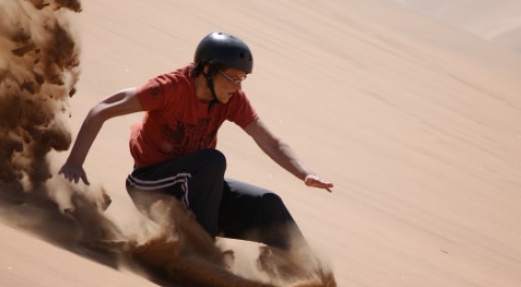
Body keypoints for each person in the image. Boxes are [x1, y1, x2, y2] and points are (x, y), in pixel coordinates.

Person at [58, 31, 333, 256]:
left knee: (268, 204)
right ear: (206, 70)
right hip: (150, 185)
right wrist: (74, 162)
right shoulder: (167, 88)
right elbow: (102, 109)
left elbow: (270, 141)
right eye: (232, 78)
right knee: (213, 161)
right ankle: (199, 253)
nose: (238, 87)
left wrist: (304, 173)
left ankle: (307, 275)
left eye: (242, 79)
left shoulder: (231, 99)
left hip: (196, 189)